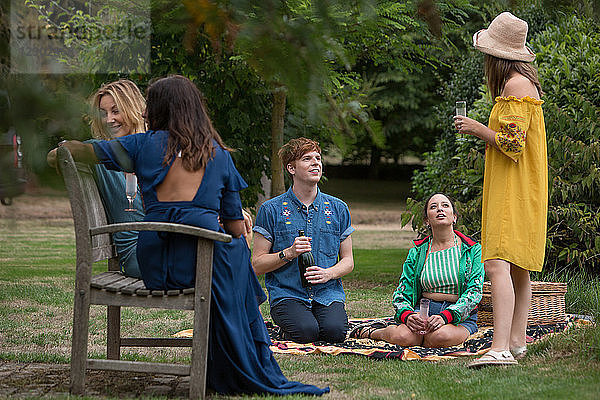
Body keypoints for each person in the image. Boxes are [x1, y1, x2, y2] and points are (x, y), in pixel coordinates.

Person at [51, 75, 328, 396]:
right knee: (235, 251)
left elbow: (75, 151)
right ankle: (242, 357)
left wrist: (59, 153)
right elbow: (236, 225)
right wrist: (227, 221)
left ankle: (231, 357)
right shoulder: (217, 154)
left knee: (232, 255)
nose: (142, 115)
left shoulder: (140, 144)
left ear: (158, 111)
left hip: (157, 259)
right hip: (200, 260)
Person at [454, 12, 548, 367]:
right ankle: (517, 342)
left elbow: (512, 143)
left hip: (514, 190)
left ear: (497, 55)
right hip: (523, 185)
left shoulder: (515, 87)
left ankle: (500, 349)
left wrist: (477, 128)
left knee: (496, 263)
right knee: (518, 267)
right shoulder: (523, 84)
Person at [252, 137, 354, 344]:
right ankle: (290, 324)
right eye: (307, 159)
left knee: (335, 333)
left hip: (327, 293)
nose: (316, 162)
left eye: (318, 158)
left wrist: (329, 273)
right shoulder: (270, 210)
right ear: (291, 168)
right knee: (306, 333)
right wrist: (288, 253)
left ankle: (316, 319)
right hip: (287, 293)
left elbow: (348, 261)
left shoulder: (338, 208)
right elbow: (256, 265)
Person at [350, 193, 484, 348]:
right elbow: (402, 291)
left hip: (458, 316)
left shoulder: (473, 249)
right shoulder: (418, 252)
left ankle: (426, 337)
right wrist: (408, 315)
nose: (440, 209)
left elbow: (474, 291)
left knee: (439, 337)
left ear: (454, 217)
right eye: (433, 207)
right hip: (423, 310)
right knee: (404, 337)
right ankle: (373, 332)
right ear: (427, 220)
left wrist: (446, 316)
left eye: (445, 206)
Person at [48, 79, 146, 278]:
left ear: (134, 109)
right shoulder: (101, 154)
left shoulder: (153, 148)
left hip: (164, 243)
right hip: (141, 255)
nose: (109, 119)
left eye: (116, 111)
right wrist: (66, 147)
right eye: (103, 114)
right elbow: (53, 157)